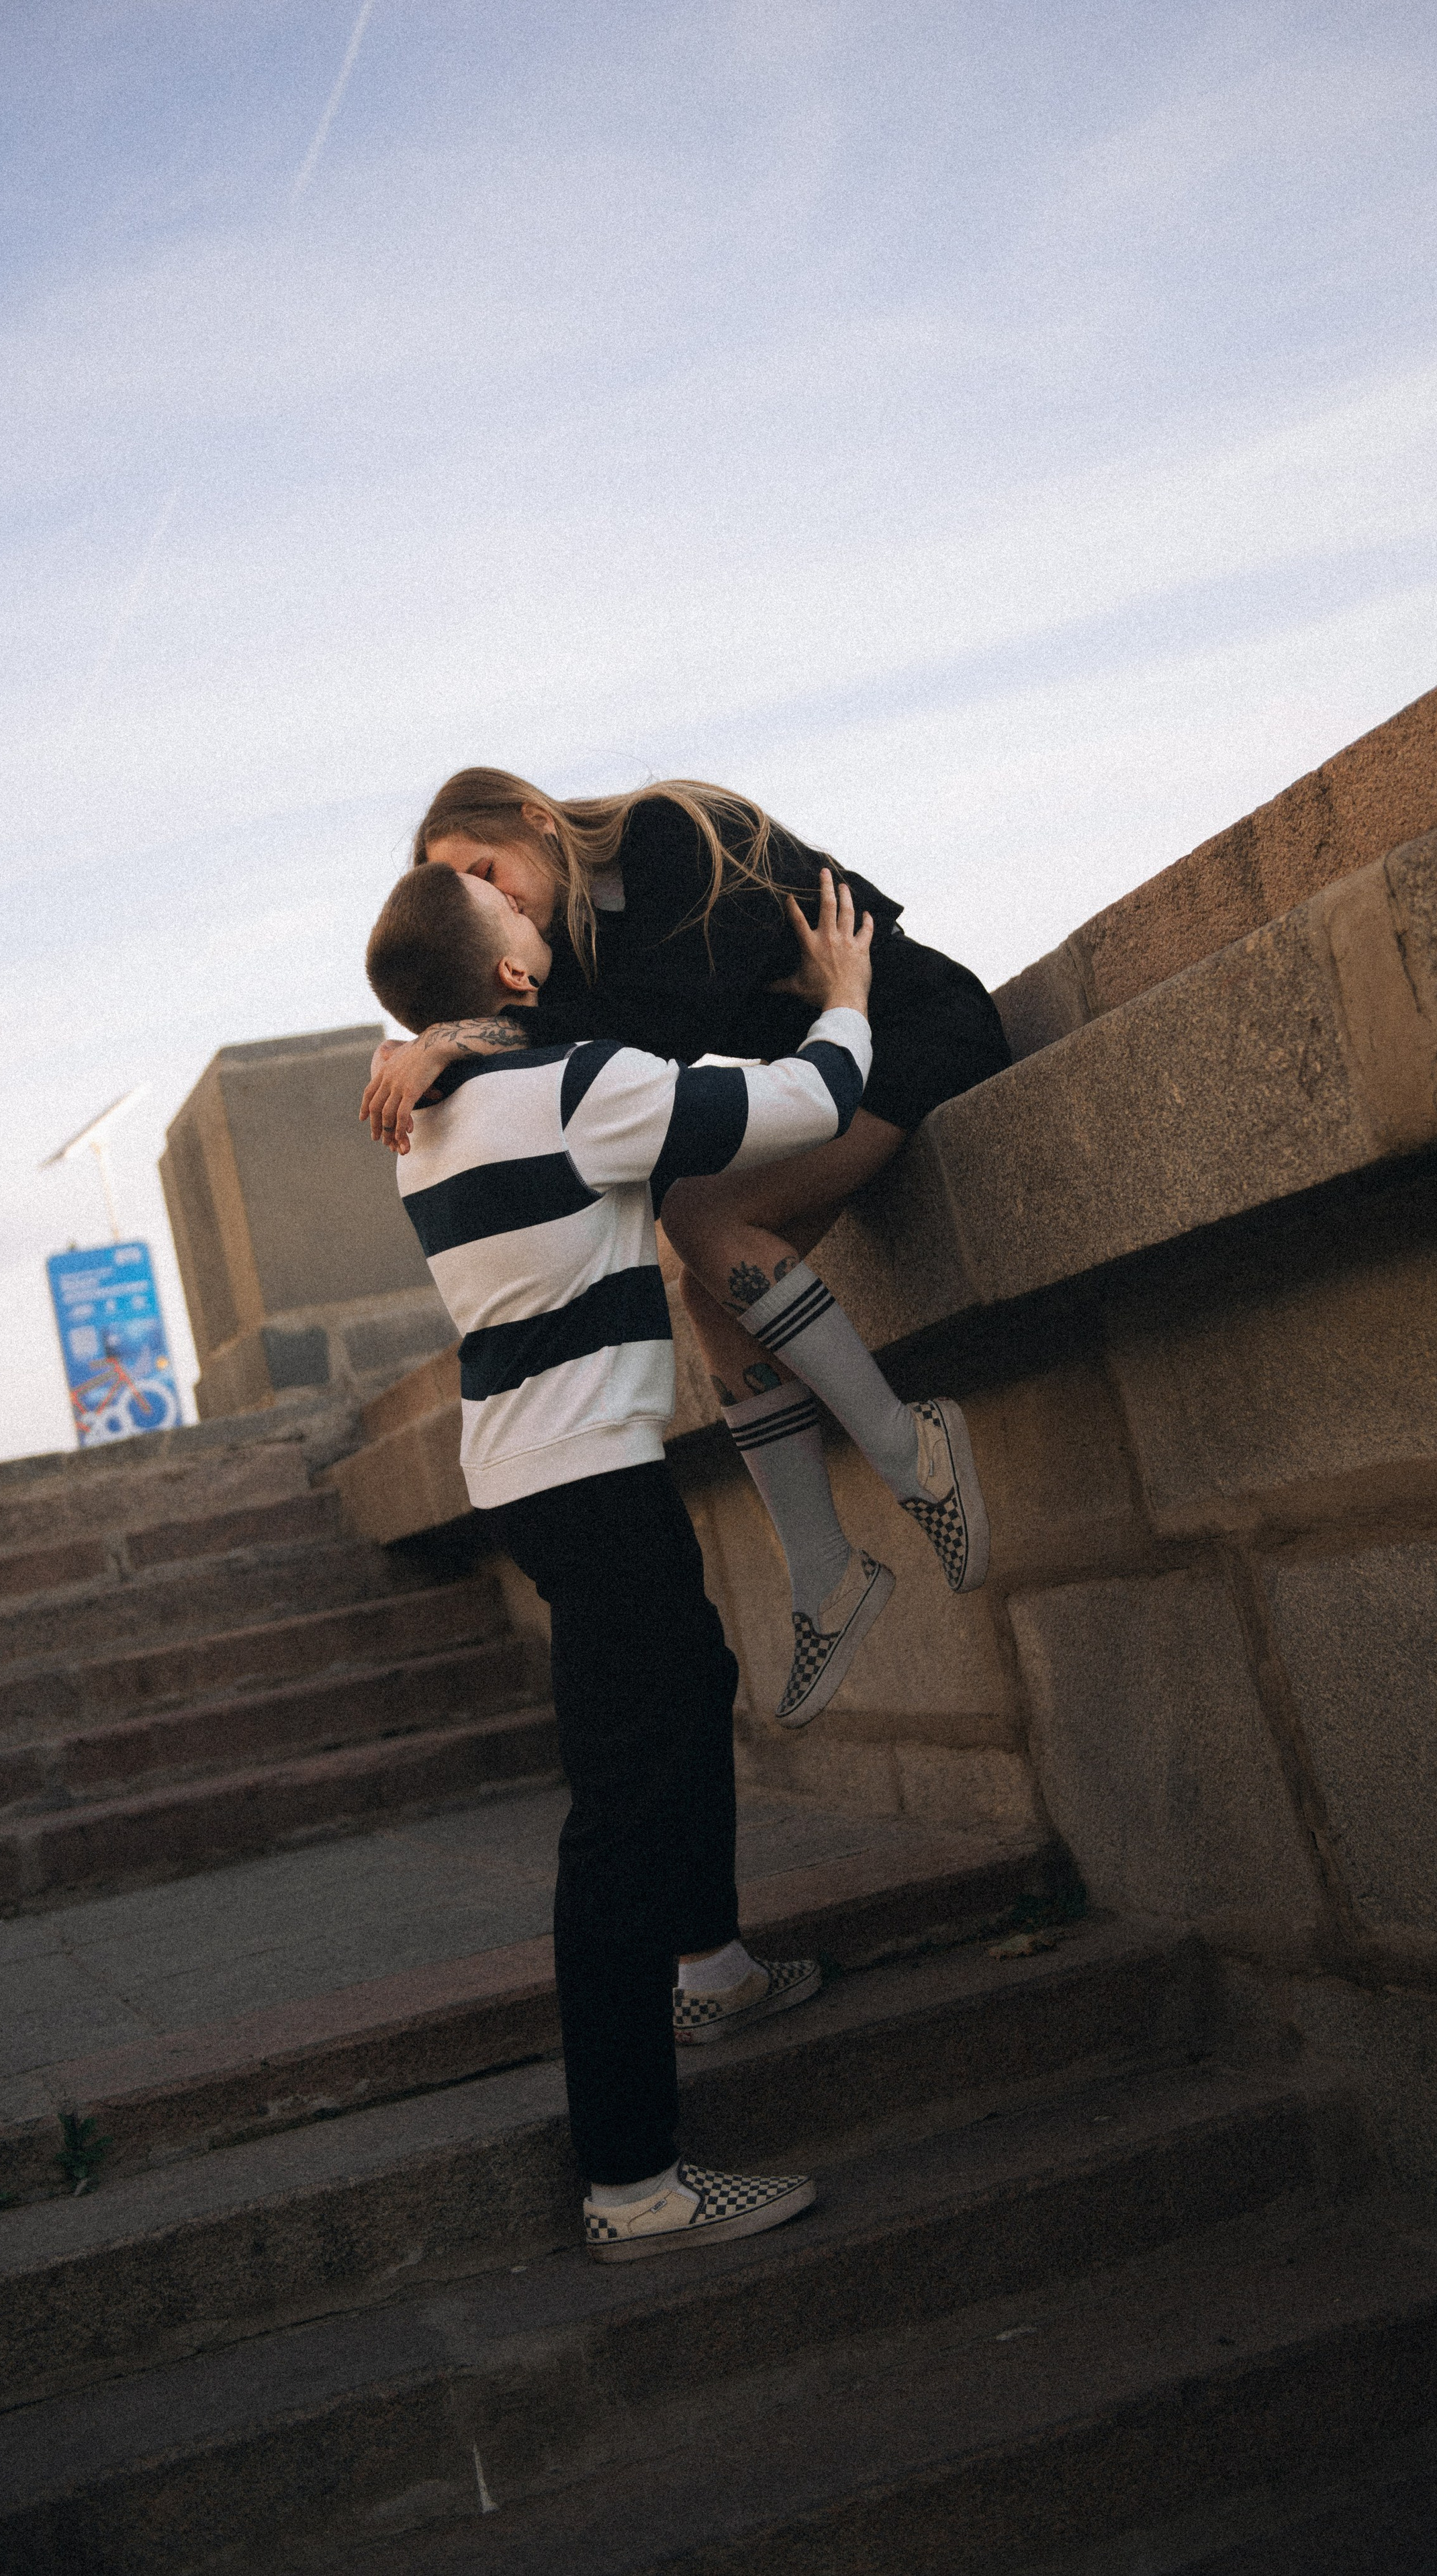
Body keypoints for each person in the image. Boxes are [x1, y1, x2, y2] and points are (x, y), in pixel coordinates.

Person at [363, 856, 883, 2260]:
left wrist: (434, 1036)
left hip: (537, 1473)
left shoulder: (429, 1105)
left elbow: (432, 1022)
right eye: (521, 922)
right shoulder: (576, 1089)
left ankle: (710, 1963)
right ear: (515, 978)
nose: (539, 920)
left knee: (689, 1674)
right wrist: (842, 995)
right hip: (588, 1477)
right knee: (614, 1814)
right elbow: (807, 1105)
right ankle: (632, 2178)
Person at [362, 771, 1002, 1723]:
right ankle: (825, 1572)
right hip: (838, 1058)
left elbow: (658, 1029)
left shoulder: (678, 833)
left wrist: (461, 1033)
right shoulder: (575, 949)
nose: (497, 902)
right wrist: (468, 1035)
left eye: (487, 872)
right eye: (475, 899)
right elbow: (586, 1059)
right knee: (711, 1290)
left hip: (911, 1029)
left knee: (700, 1223)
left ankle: (913, 1450)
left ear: (537, 821)